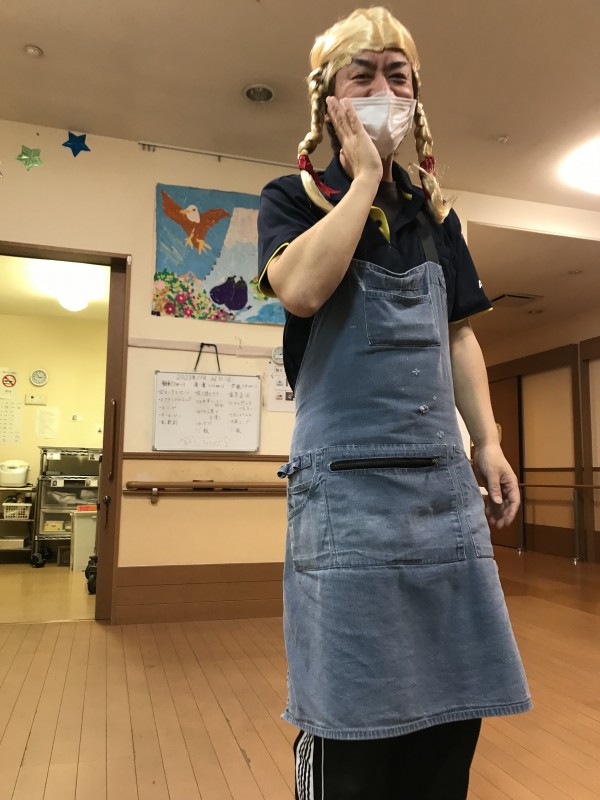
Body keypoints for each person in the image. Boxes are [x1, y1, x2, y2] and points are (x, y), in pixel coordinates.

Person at [257, 8, 531, 799]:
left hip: (439, 493)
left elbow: (458, 335)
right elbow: (303, 290)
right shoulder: (294, 197)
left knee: (451, 714)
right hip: (346, 497)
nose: (385, 90)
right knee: (349, 723)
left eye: (398, 76)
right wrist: (364, 179)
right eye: (364, 75)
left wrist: (487, 440)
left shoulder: (437, 216)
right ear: (330, 101)